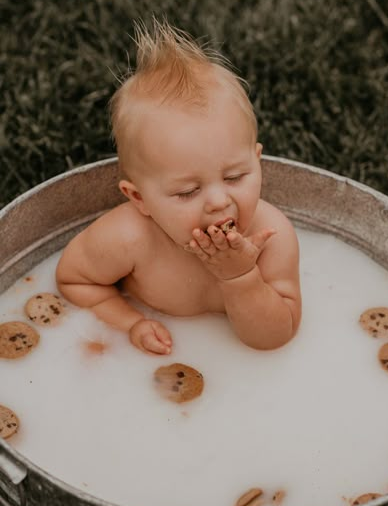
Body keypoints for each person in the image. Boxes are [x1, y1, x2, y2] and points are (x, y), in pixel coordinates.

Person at [56, 20, 302, 355]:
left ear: (257, 161)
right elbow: (75, 279)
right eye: (187, 192)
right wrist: (130, 323)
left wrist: (241, 277)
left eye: (234, 177)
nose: (218, 201)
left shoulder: (273, 238)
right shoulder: (130, 237)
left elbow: (276, 336)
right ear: (140, 198)